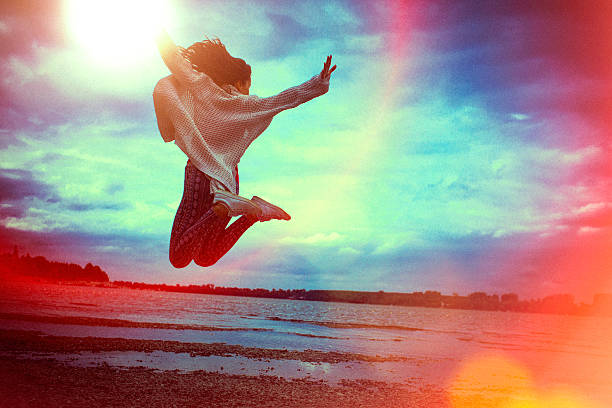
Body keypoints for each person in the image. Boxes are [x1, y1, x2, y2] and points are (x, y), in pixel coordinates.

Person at [153, 29, 336, 268]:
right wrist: (318, 84)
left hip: (199, 176)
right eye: (249, 85)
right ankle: (253, 211)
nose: (249, 91)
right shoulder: (248, 105)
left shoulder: (203, 87)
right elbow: (284, 99)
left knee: (179, 258)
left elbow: (173, 60)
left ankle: (227, 207)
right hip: (229, 182)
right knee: (205, 257)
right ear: (239, 82)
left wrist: (158, 31)